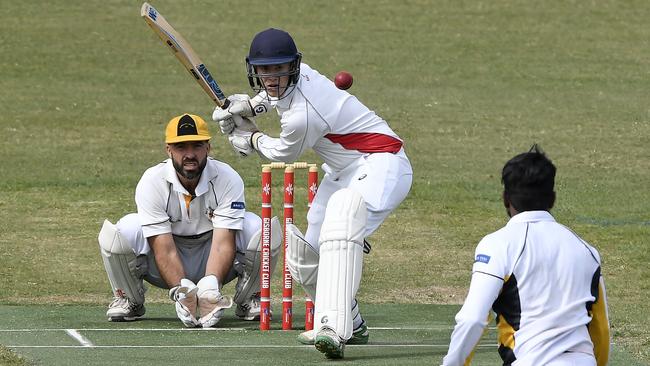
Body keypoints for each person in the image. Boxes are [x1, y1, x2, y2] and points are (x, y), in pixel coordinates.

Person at [211, 28, 413, 358]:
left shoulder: (303, 114)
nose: (272, 77)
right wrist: (246, 106)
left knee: (341, 231)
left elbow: (283, 154)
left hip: (382, 165)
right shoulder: (296, 79)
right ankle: (354, 320)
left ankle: (334, 328)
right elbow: (271, 98)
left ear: (293, 66)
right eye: (264, 71)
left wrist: (249, 139)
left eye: (279, 69)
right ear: (255, 71)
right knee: (305, 256)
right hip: (345, 170)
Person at [97, 113, 281, 328]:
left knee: (259, 228)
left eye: (196, 146)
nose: (190, 154)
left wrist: (210, 289)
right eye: (181, 147)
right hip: (165, 258)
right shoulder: (152, 180)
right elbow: (163, 247)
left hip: (213, 253)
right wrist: (181, 289)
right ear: (169, 150)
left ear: (208, 148)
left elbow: (223, 243)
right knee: (123, 231)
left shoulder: (227, 178)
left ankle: (250, 298)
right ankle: (129, 299)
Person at [441, 145, 610, 366]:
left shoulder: (498, 245)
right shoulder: (587, 251)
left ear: (505, 198)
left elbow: (472, 319)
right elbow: (600, 328)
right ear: (552, 199)